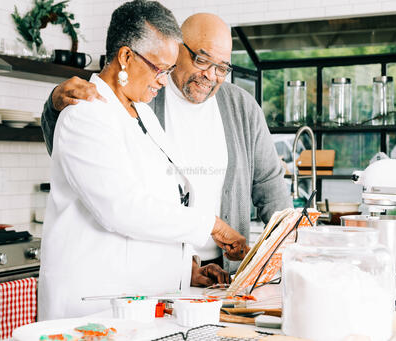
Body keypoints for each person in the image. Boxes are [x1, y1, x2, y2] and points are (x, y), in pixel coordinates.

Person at [38, 0, 247, 321]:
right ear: (125, 56)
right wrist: (212, 225)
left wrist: (183, 268)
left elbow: (161, 203)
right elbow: (123, 209)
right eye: (160, 68)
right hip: (91, 304)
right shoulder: (85, 114)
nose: (165, 80)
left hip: (139, 304)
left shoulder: (144, 116)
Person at [41, 13, 291, 273]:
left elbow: (270, 186)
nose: (211, 75)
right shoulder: (137, 100)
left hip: (204, 270)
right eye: (202, 60)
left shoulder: (239, 106)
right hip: (144, 273)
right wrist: (54, 107)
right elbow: (117, 196)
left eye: (222, 68)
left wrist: (290, 252)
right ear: (177, 49)